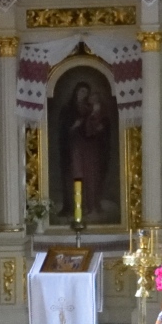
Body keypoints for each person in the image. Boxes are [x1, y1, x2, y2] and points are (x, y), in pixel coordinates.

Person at [65, 80, 110, 221]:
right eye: (82, 91)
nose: (84, 94)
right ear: (76, 92)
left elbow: (98, 124)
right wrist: (74, 126)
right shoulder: (69, 109)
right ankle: (79, 207)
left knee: (91, 176)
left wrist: (98, 128)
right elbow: (64, 130)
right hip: (77, 146)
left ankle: (92, 206)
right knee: (78, 175)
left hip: (90, 147)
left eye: (86, 92)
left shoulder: (90, 108)